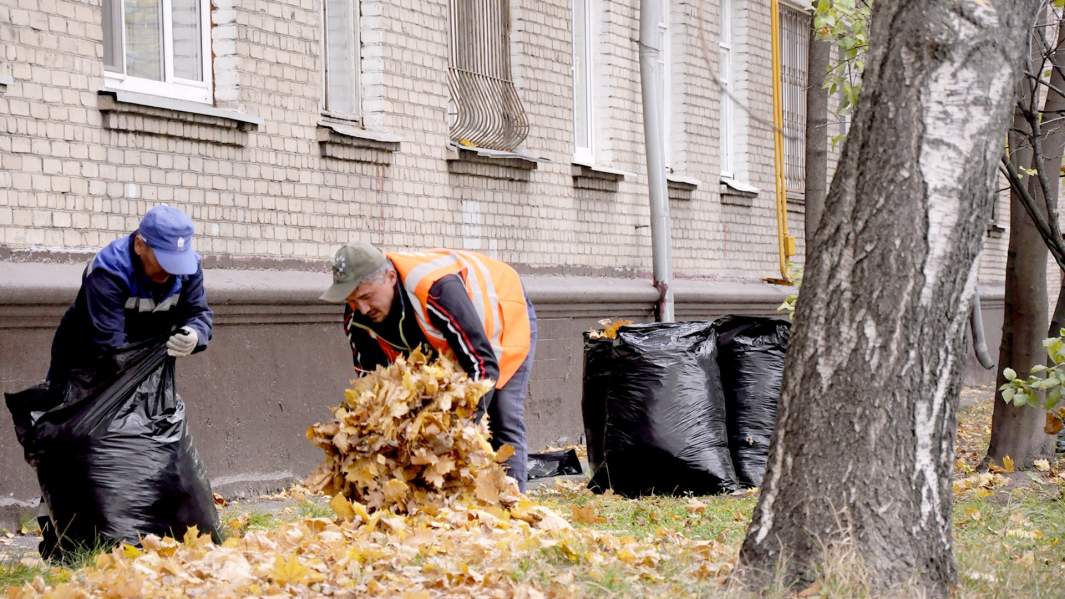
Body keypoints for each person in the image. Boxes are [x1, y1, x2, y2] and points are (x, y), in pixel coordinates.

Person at [320, 243, 536, 490]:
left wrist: (461, 428)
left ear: (390, 277)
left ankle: (513, 507)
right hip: (444, 340)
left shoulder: (437, 290)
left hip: (503, 313)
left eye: (367, 296)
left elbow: (483, 367)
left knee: (502, 416)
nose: (362, 308)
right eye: (352, 300)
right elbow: (372, 386)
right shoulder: (358, 315)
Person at [47, 204, 213, 385]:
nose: (171, 270)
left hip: (143, 358)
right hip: (87, 358)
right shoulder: (109, 271)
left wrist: (195, 333)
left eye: (177, 262)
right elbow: (111, 345)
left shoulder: (189, 267)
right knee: (74, 409)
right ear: (139, 245)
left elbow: (198, 313)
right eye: (164, 261)